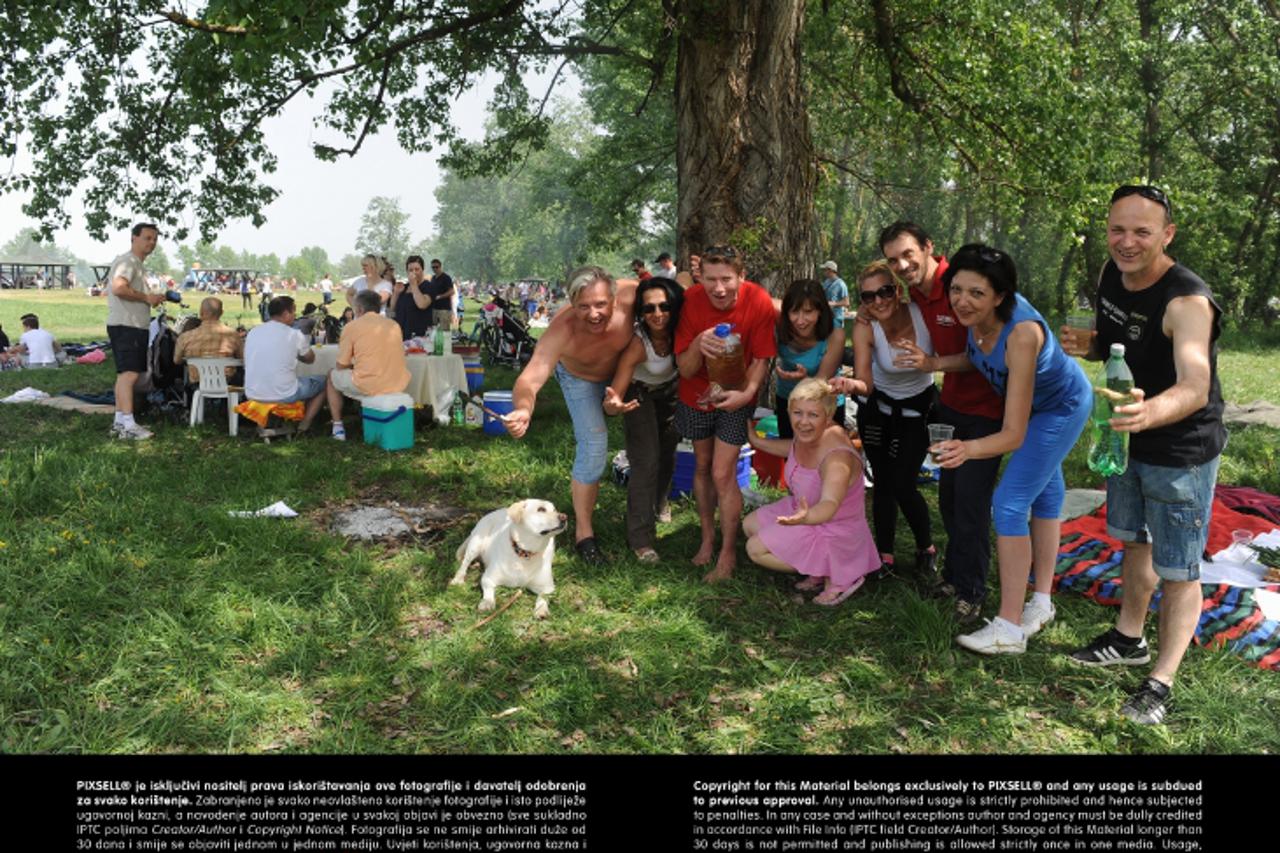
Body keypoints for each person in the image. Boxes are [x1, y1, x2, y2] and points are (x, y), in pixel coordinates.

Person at [1060, 185, 1226, 725]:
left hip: (1180, 448)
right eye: (1117, 229)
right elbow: (1120, 345)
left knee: (1178, 568)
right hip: (1124, 439)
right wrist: (1086, 345)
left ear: (1167, 235)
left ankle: (1161, 680)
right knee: (1133, 540)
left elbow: (1196, 384)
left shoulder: (1187, 301)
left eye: (1142, 232)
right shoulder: (1113, 274)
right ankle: (1128, 638)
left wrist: (1148, 414)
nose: (1127, 242)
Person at [907, 244, 1091, 656]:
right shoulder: (977, 321)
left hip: (1060, 408)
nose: (962, 301)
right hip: (1037, 410)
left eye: (976, 293)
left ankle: (1009, 627)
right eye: (956, 290)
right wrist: (935, 364)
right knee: (1046, 496)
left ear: (1000, 296)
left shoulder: (1022, 333)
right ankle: (1041, 602)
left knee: (1009, 502)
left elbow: (1013, 435)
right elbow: (978, 358)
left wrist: (967, 448)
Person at [880, 221, 1005, 622]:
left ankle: (973, 592)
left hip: (987, 411)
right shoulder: (917, 291)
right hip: (950, 406)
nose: (901, 264)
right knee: (949, 499)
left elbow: (985, 353)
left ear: (929, 247)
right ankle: (953, 576)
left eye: (907, 254)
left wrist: (932, 364)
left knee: (970, 502)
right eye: (893, 259)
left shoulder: (961, 286)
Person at [506, 266, 638, 564]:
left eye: (601, 305)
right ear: (571, 303)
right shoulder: (562, 330)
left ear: (615, 299)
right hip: (580, 378)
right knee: (594, 443)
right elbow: (530, 378)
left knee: (648, 435)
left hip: (627, 369)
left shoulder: (633, 294)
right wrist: (524, 409)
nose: (593, 314)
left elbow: (677, 290)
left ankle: (655, 504)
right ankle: (584, 534)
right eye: (584, 307)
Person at [674, 245, 778, 583]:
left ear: (741, 277)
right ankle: (707, 539)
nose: (719, 289)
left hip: (737, 394)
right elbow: (685, 369)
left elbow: (761, 358)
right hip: (696, 396)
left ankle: (728, 552)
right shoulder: (691, 300)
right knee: (703, 467)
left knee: (722, 473)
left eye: (727, 279)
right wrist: (698, 344)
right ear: (700, 276)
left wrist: (746, 395)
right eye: (711, 279)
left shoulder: (757, 300)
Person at [837, 260, 938, 578]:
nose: (878, 301)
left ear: (898, 289)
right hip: (877, 408)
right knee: (882, 482)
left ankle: (926, 550)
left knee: (904, 484)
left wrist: (929, 362)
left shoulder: (922, 315)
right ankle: (884, 556)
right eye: (868, 297)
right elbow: (865, 380)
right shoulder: (866, 325)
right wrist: (849, 384)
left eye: (885, 291)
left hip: (917, 410)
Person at [743, 378, 880, 604]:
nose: (803, 422)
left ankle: (841, 573)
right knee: (750, 526)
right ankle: (815, 568)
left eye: (813, 415)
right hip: (805, 511)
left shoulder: (837, 458)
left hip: (832, 527)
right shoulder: (809, 434)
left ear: (827, 417)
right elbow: (794, 449)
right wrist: (757, 442)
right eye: (797, 413)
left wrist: (806, 517)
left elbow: (829, 504)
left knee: (755, 549)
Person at [603, 276, 683, 562]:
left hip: (672, 389)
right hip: (639, 392)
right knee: (645, 460)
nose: (658, 314)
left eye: (664, 306)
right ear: (641, 312)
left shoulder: (682, 329)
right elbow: (615, 398)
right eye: (649, 309)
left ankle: (660, 503)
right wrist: (614, 405)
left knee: (668, 452)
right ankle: (641, 538)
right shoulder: (638, 344)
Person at [323, 289, 411, 441]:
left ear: (359, 309)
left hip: (369, 384)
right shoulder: (394, 325)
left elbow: (341, 365)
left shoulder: (352, 327)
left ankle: (338, 427)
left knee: (331, 375)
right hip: (397, 382)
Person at [105, 222, 165, 440]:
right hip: (126, 326)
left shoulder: (137, 265)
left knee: (124, 374)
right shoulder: (128, 261)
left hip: (132, 325)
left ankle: (120, 422)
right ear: (134, 238)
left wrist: (150, 298)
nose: (151, 243)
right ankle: (129, 425)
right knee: (129, 374)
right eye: (147, 238)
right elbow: (119, 287)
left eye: (154, 239)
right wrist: (146, 297)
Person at [773, 279, 845, 438]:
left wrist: (805, 379)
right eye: (794, 312)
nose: (800, 320)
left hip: (823, 405)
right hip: (788, 401)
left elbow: (821, 382)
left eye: (808, 312)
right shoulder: (779, 322)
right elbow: (758, 298)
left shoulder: (835, 334)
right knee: (793, 456)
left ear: (820, 311)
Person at [243, 296, 327, 431]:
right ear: (286, 313)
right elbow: (310, 359)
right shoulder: (294, 334)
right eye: (294, 312)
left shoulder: (253, 331)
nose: (295, 316)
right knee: (325, 381)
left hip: (252, 391)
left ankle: (275, 420)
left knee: (293, 381)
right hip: (284, 393)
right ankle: (304, 424)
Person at [173, 297, 244, 385]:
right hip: (227, 384)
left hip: (198, 385)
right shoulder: (233, 335)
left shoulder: (185, 337)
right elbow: (243, 358)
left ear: (201, 313)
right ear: (221, 313)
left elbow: (177, 360)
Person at [392, 256, 434, 340]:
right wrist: (396, 293)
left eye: (417, 269)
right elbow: (393, 308)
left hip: (418, 336)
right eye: (410, 270)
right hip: (400, 334)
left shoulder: (428, 286)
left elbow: (422, 304)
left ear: (422, 269)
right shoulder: (404, 287)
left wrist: (414, 285)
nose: (414, 272)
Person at [820, 261, 849, 330]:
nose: (823, 272)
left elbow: (846, 302)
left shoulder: (841, 284)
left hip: (836, 317)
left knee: (835, 339)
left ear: (830, 270)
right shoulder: (826, 282)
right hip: (826, 316)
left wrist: (834, 304)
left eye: (825, 269)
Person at [427, 259, 455, 329]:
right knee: (433, 331)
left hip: (444, 309)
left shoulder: (446, 278)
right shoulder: (433, 278)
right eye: (433, 267)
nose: (435, 269)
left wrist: (440, 296)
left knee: (444, 331)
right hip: (434, 308)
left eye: (436, 267)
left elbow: (452, 291)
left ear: (440, 266)